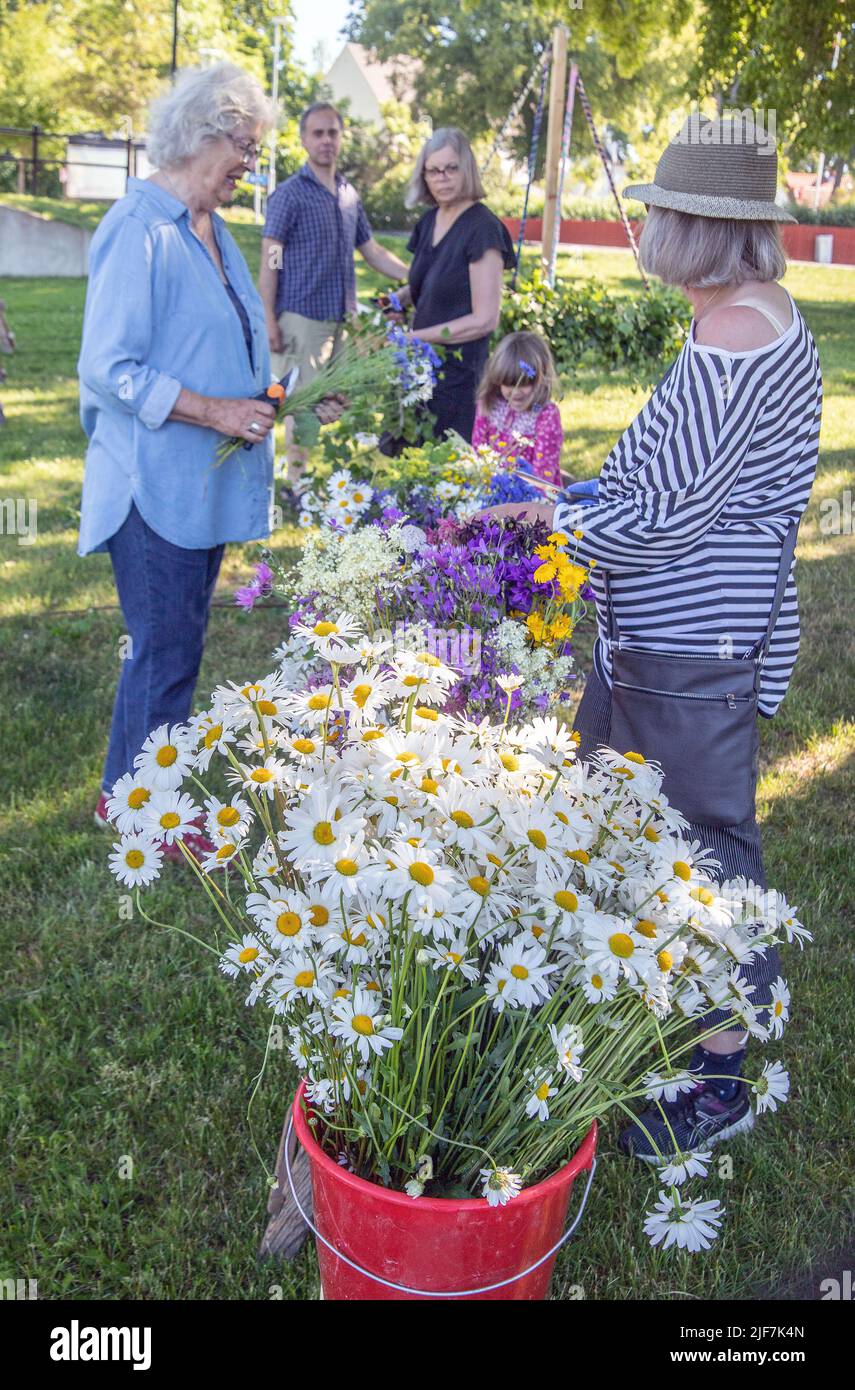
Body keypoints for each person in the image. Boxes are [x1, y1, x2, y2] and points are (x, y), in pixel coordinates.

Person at [478, 114, 822, 1160]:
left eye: (660, 211)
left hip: (694, 637)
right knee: (626, 821)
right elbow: (658, 478)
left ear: (694, 225)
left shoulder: (736, 337)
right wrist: (565, 489)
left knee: (706, 849)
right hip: (671, 631)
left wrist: (556, 521)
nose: (645, 228)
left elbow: (670, 517)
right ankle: (657, 1024)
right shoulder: (741, 314)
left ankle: (721, 1074)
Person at [78, 63, 281, 858]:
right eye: (243, 146)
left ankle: (119, 795)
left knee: (170, 643)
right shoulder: (141, 227)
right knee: (165, 650)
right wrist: (215, 410)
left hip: (198, 483)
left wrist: (277, 394)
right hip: (150, 485)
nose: (248, 163)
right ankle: (150, 815)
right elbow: (110, 366)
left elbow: (222, 343)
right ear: (203, 136)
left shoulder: (212, 226)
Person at [259, 102, 410, 396]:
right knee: (302, 410)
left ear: (341, 138)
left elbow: (372, 250)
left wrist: (417, 274)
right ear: (304, 139)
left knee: (334, 407)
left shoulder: (348, 195)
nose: (326, 140)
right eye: (318, 133)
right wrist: (268, 317)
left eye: (332, 133)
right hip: (302, 318)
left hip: (343, 318)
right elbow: (272, 258)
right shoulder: (289, 195)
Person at [403, 128, 516, 442]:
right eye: (433, 170)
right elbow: (432, 279)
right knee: (412, 469)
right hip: (420, 373)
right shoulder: (429, 222)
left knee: (448, 477)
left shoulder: (483, 229)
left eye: (451, 168)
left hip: (459, 379)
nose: (442, 177)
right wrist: (395, 303)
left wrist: (414, 338)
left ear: (466, 169)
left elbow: (484, 320)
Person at [472, 330, 564, 485]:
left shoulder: (545, 416)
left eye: (524, 384)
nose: (515, 392)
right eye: (508, 384)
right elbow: (478, 451)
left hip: (531, 498)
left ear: (541, 379)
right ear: (497, 379)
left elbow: (543, 476)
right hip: (489, 489)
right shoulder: (489, 404)